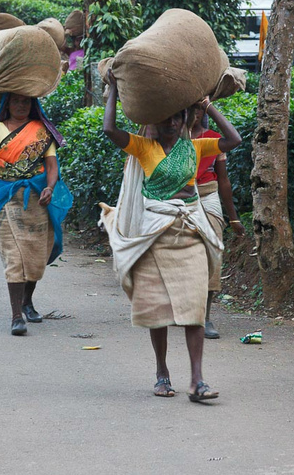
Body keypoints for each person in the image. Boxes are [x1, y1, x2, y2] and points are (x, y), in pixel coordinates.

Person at [103, 72, 242, 403]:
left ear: (185, 119)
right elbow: (110, 130)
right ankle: (162, 373)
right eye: (164, 118)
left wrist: (208, 105)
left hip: (190, 232)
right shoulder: (143, 147)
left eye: (177, 116)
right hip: (154, 235)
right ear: (154, 121)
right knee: (157, 310)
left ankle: (197, 381)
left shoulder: (196, 147)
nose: (171, 123)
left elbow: (234, 139)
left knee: (194, 307)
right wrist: (112, 91)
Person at [0, 94, 72, 336]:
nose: (21, 106)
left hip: (37, 198)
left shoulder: (42, 130)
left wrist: (49, 187)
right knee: (14, 257)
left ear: (32, 105)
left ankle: (27, 301)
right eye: (16, 101)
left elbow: (52, 166)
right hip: (7, 197)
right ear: (8, 104)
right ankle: (17, 315)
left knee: (36, 257)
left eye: (26, 102)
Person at [190, 101, 245, 339]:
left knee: (213, 252)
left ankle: (205, 317)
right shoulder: (170, 138)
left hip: (207, 195)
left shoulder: (212, 139)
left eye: (198, 109)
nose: (195, 114)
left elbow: (223, 181)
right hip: (178, 197)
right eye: (190, 109)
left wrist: (233, 218)